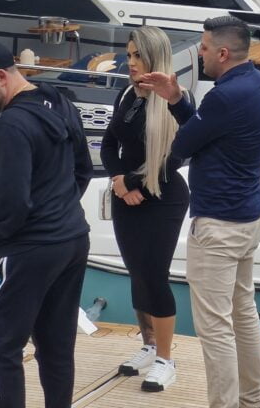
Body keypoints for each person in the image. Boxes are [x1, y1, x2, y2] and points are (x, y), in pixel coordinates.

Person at [0, 41, 92, 408]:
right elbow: (82, 170)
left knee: (2, 349)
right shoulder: (58, 101)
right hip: (72, 239)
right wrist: (58, 209)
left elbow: (8, 201)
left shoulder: (11, 125)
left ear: (0, 77)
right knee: (57, 345)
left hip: (28, 248)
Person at [141, 16, 260, 408]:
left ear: (222, 52)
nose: (198, 54)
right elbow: (205, 131)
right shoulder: (259, 85)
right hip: (249, 217)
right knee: (243, 314)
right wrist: (178, 99)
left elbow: (182, 146)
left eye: (202, 47)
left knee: (215, 328)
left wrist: (180, 108)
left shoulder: (224, 96)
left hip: (218, 225)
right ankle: (252, 401)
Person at [101, 26, 189, 392]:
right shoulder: (127, 94)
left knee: (154, 275)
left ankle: (167, 359)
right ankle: (148, 345)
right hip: (127, 195)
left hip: (163, 197)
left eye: (138, 56)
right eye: (129, 55)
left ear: (155, 58)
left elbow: (178, 155)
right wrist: (119, 180)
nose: (130, 62)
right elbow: (108, 145)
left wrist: (132, 183)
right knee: (136, 274)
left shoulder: (174, 99)